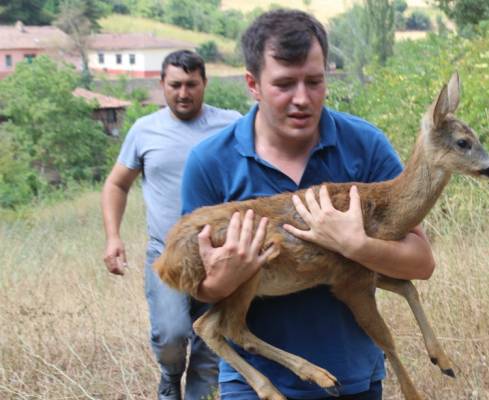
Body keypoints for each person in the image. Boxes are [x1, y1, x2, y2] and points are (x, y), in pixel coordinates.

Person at [181, 9, 436, 400]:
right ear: (253, 84)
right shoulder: (211, 161)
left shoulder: (364, 146)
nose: (302, 99)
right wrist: (223, 278)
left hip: (352, 376)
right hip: (255, 388)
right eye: (284, 84)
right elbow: (196, 288)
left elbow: (421, 263)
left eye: (314, 82)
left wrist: (357, 246)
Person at [101, 50, 241, 400]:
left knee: (211, 347)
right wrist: (113, 237)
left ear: (204, 84)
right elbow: (117, 184)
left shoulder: (232, 125)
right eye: (175, 84)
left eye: (191, 84)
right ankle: (170, 377)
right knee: (172, 336)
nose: (183, 93)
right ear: (161, 85)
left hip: (221, 256)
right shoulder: (144, 130)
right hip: (167, 255)